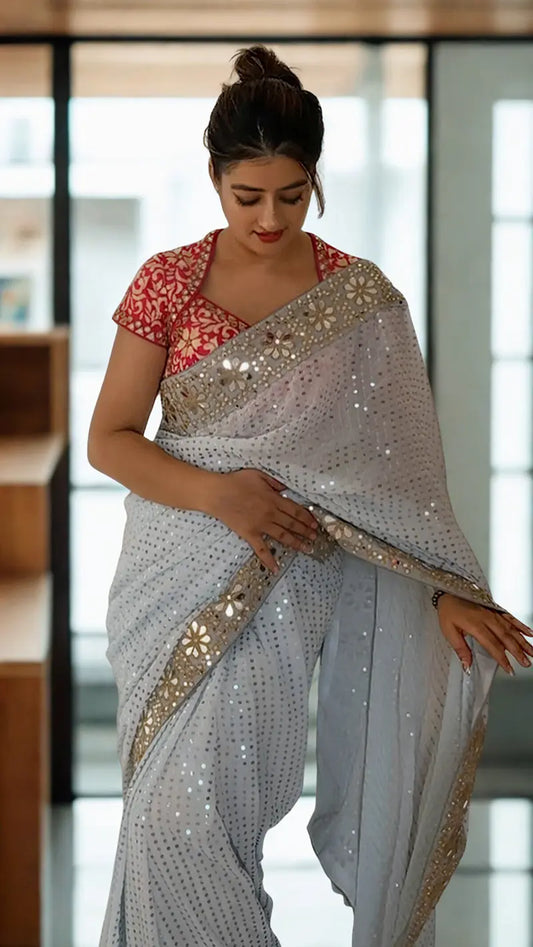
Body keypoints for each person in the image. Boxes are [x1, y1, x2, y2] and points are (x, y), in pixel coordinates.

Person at [89, 44, 533, 947]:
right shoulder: (168, 281)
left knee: (213, 819)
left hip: (291, 579)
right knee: (167, 821)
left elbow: (396, 476)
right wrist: (222, 497)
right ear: (214, 179)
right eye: (246, 195)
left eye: (291, 195)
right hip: (172, 576)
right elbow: (111, 439)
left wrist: (442, 587)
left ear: (315, 180)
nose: (268, 217)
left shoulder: (360, 300)